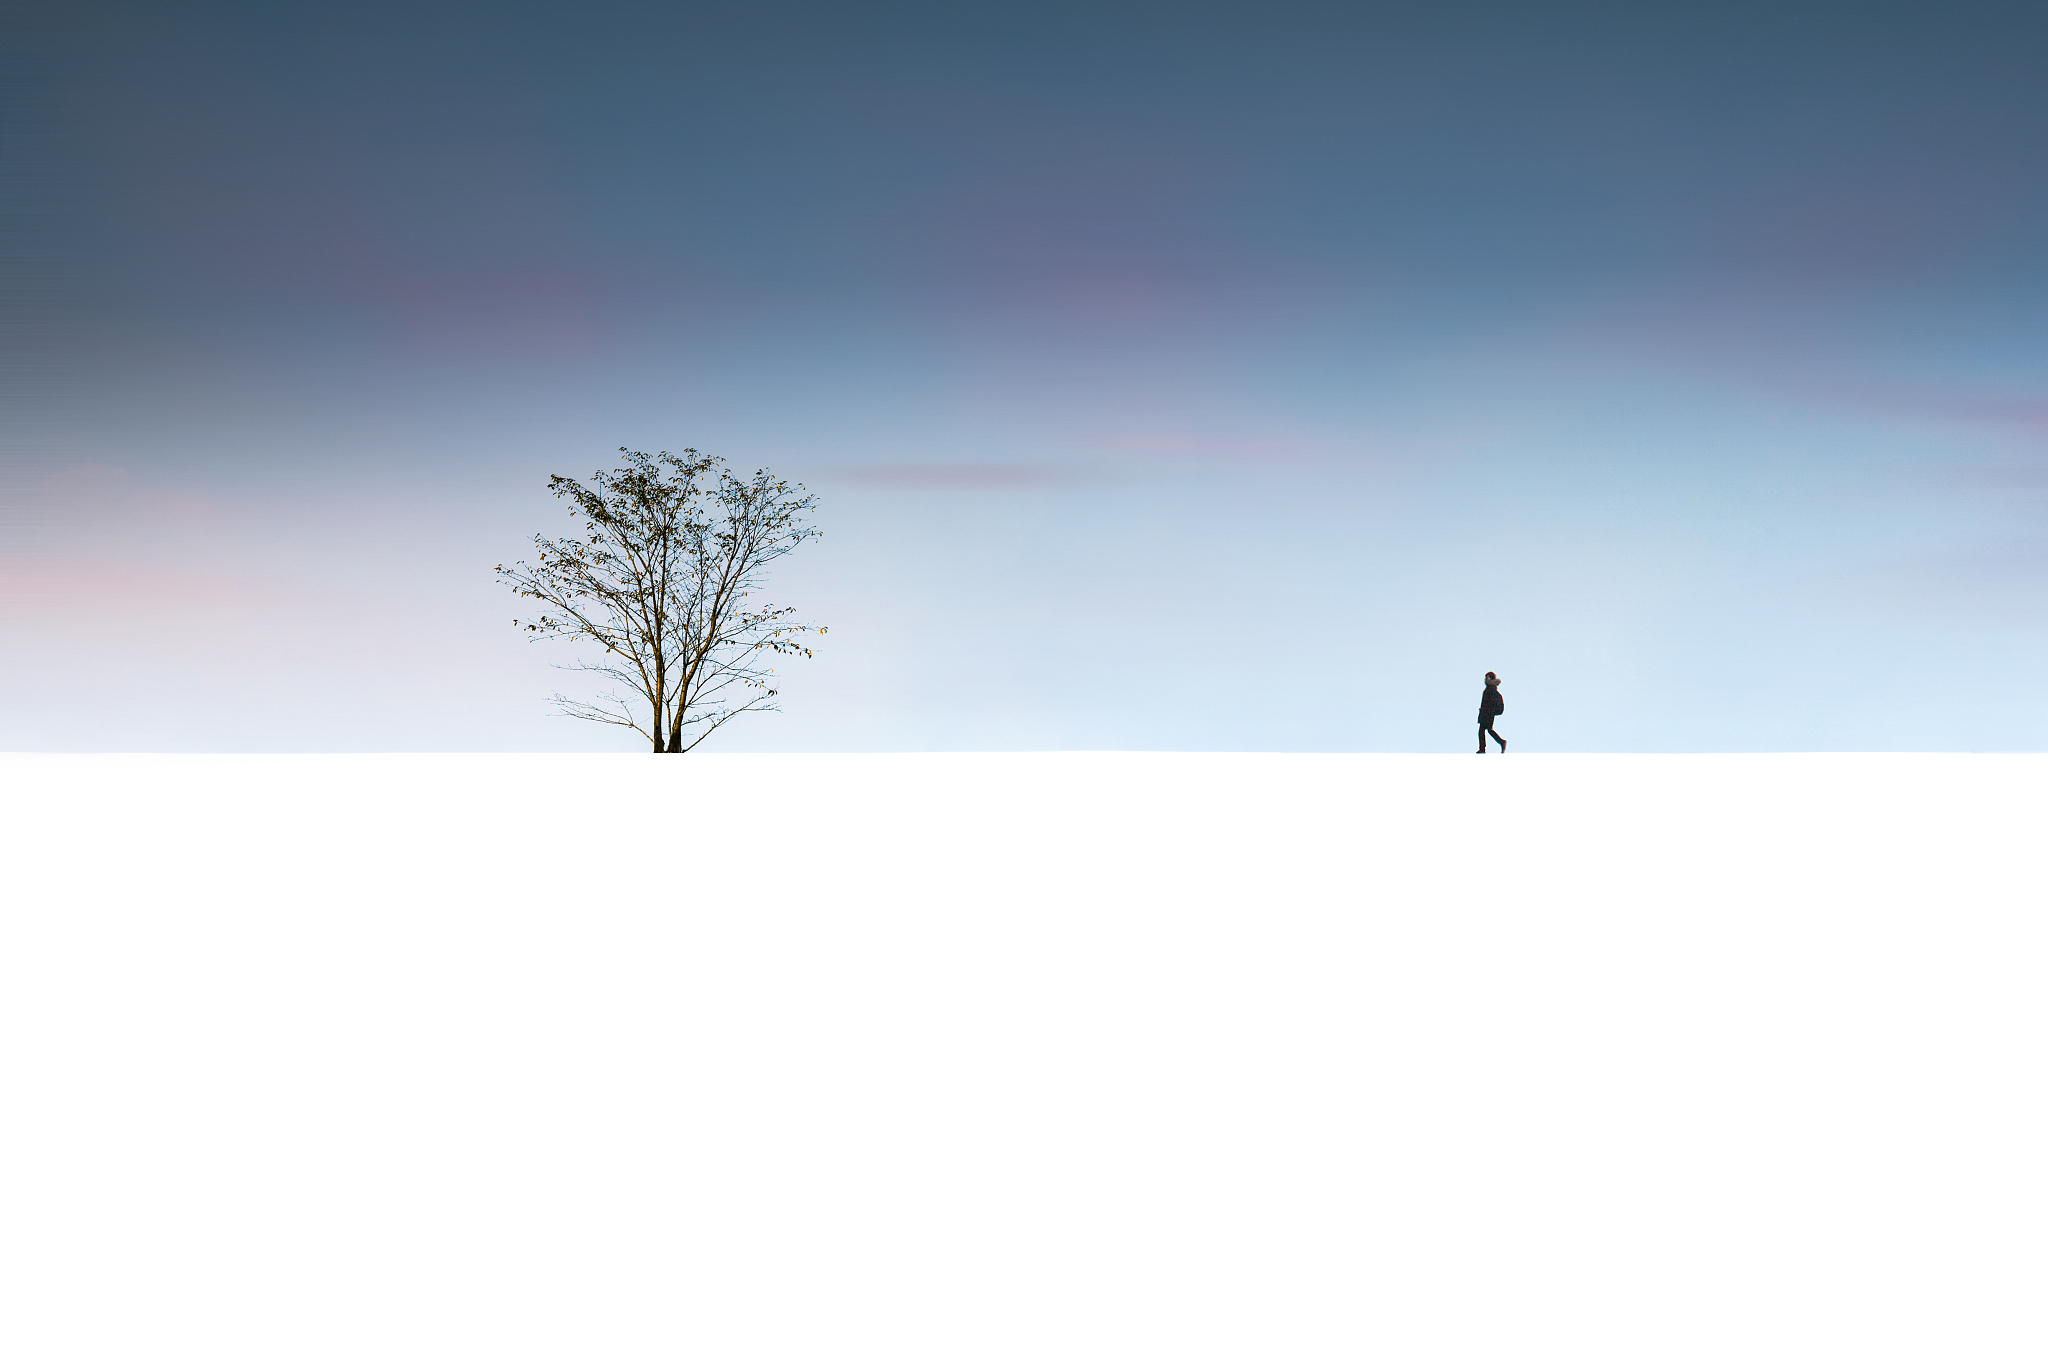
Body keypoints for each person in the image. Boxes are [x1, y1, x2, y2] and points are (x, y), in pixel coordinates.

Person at [1477, 672, 1505, 753]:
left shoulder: (1491, 690)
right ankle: (1501, 742)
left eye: (1487, 678)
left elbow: (1491, 703)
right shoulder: (1489, 689)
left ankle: (1483, 749)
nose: (1485, 680)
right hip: (1486, 713)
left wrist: (1488, 711)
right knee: (1487, 730)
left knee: (1483, 730)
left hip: (1487, 714)